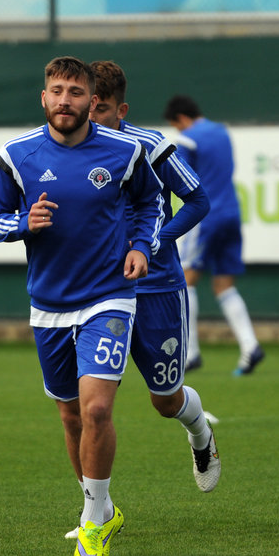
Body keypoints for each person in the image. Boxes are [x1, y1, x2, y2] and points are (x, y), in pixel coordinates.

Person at [0, 56, 164, 556]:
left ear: (92, 100)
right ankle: (103, 508)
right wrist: (23, 223)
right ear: (44, 98)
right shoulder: (16, 155)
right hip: (49, 305)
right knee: (69, 414)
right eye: (57, 91)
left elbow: (152, 205)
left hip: (109, 296)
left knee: (97, 409)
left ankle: (92, 521)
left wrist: (141, 247)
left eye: (76, 92)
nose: (65, 100)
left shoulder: (125, 152)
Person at [88, 60, 219, 497]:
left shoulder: (150, 145)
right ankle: (95, 510)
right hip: (98, 291)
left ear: (121, 109)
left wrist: (155, 242)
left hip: (157, 287)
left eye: (102, 109)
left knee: (165, 399)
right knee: (89, 406)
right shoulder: (68, 149)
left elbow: (198, 200)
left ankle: (200, 435)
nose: (92, 117)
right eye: (88, 106)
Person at [163, 95, 264, 376]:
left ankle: (191, 353)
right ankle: (250, 346)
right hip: (231, 212)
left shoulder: (188, 139)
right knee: (224, 285)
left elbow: (179, 178)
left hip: (205, 215)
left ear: (180, 119)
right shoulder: (221, 131)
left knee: (186, 280)